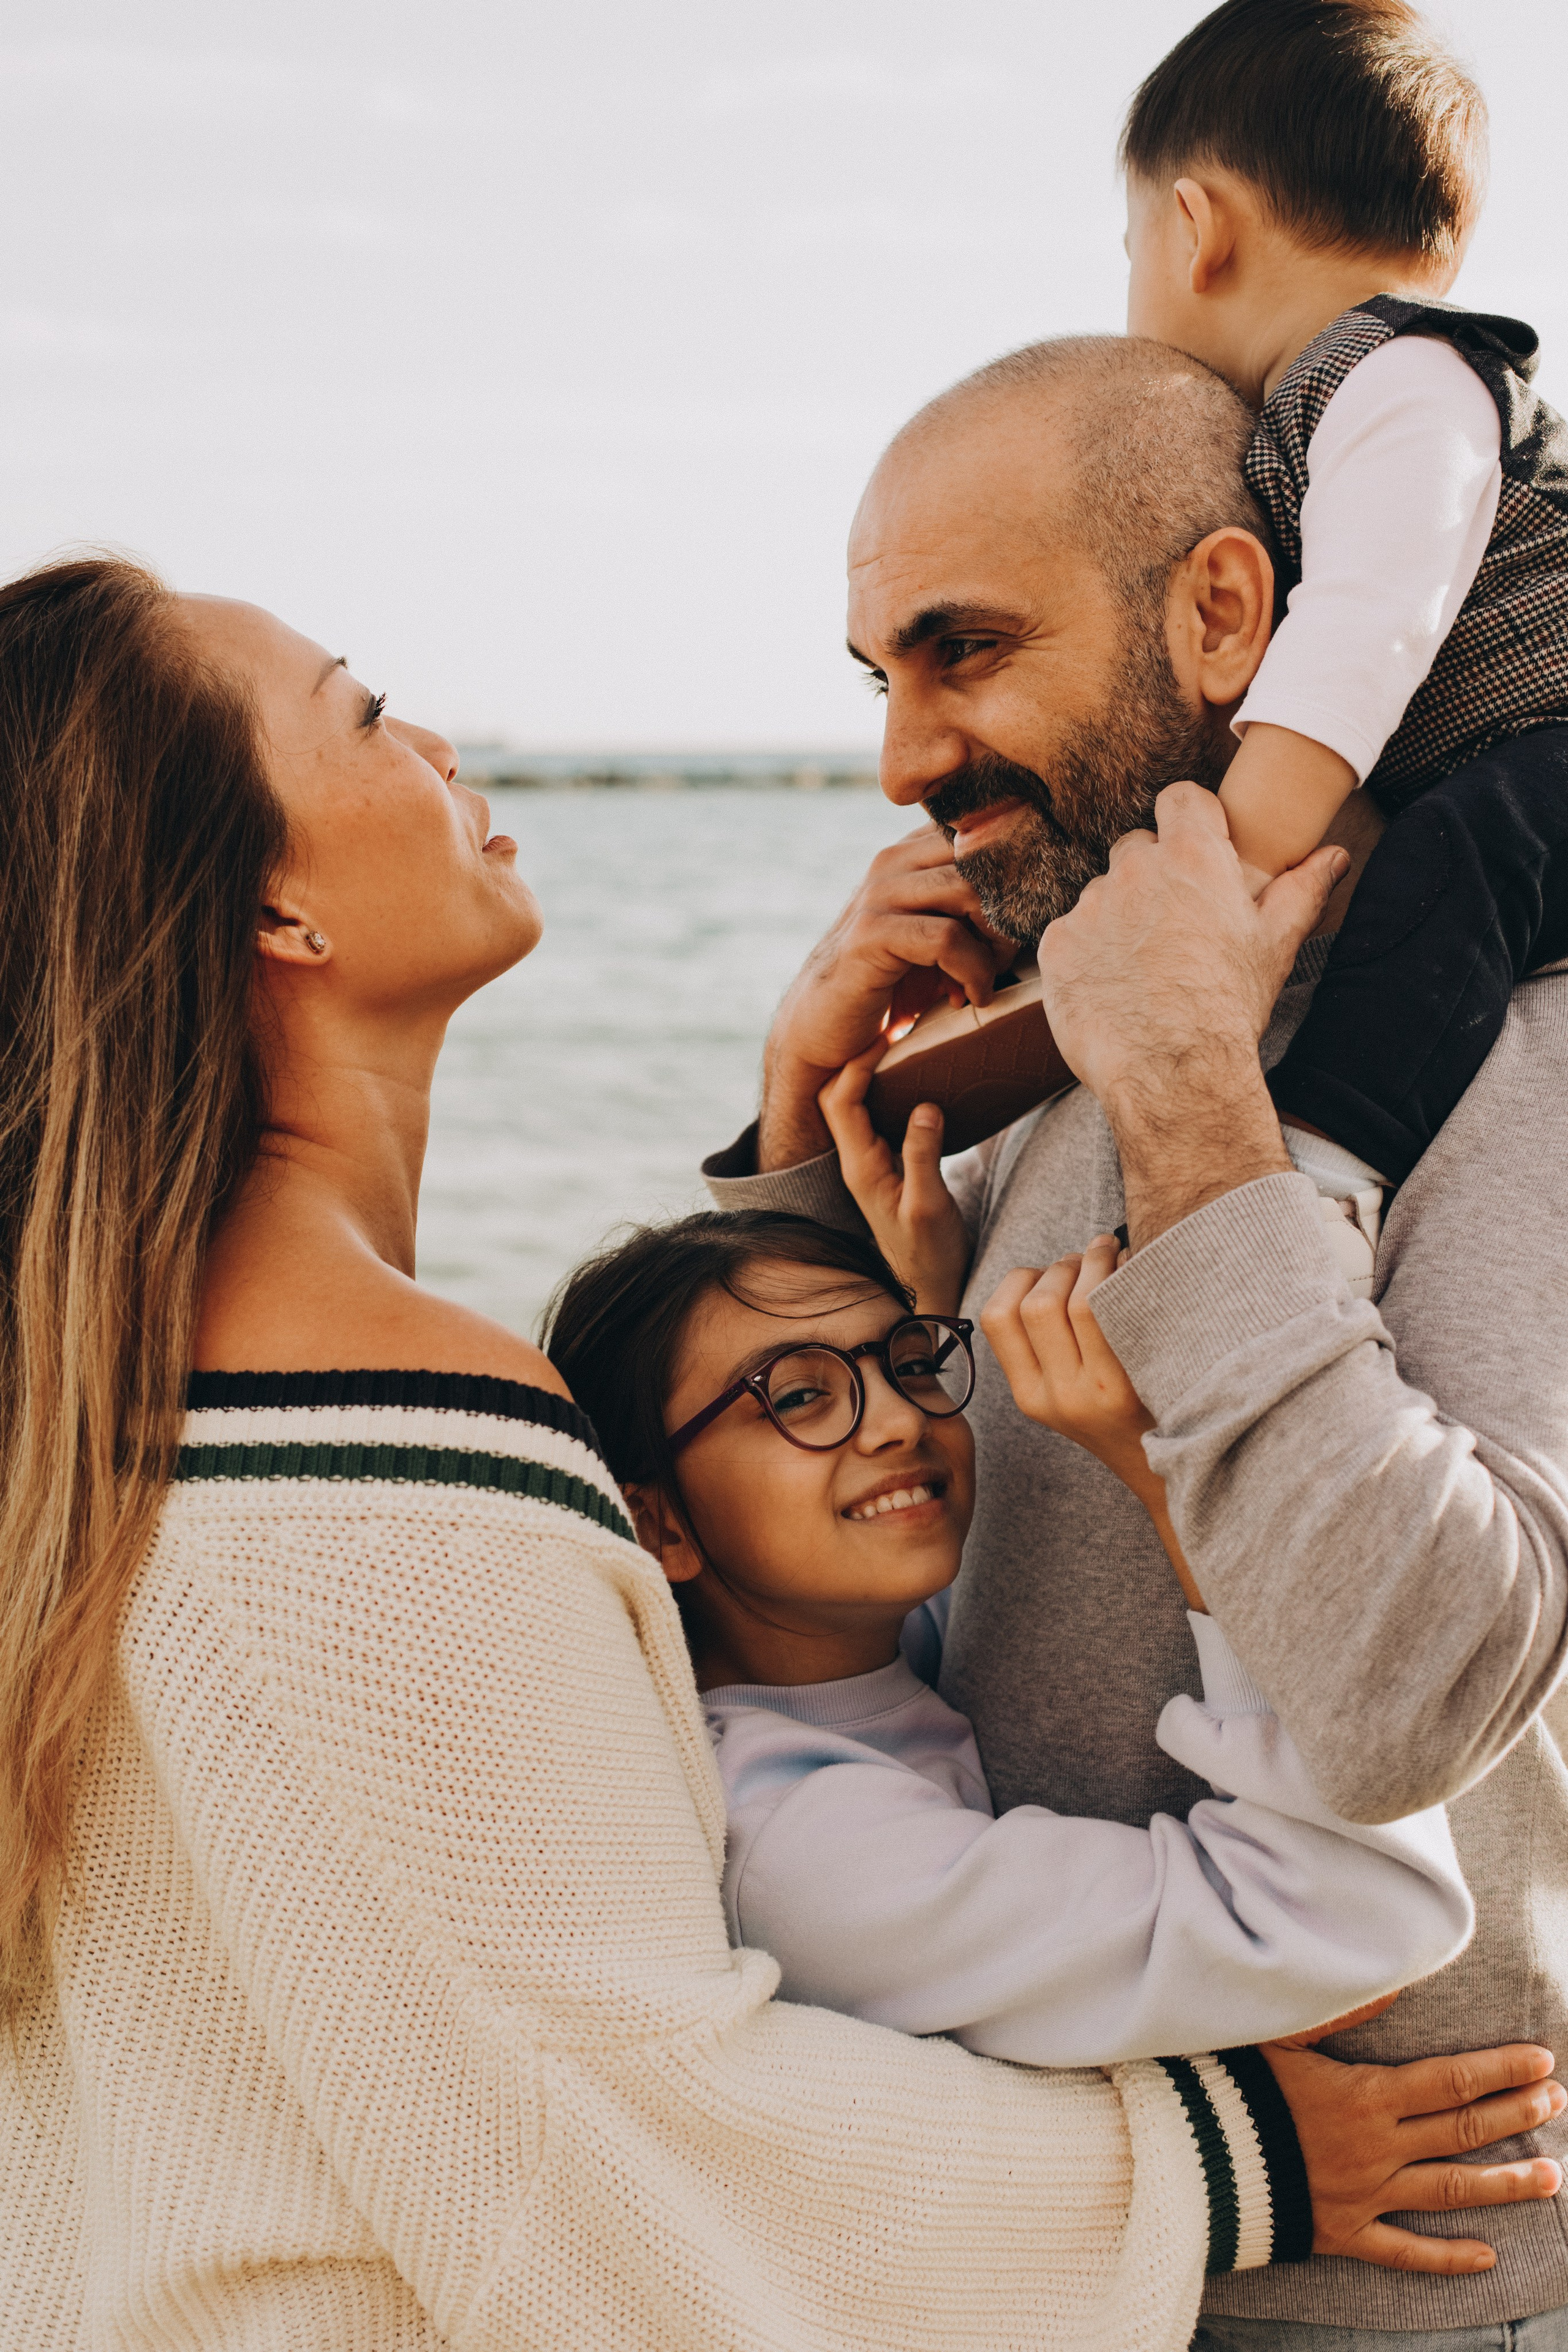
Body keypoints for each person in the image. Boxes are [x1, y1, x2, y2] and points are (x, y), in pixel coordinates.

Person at [4, 559, 1546, 2352]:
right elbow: (644, 2125)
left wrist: (801, 1183)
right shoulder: (395, 1457)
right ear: (281, 913)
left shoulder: (112, 1410)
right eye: (360, 711)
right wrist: (1230, 2164)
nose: (431, 737)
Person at [703, 336, 1568, 2345]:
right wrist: (788, 1150)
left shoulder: (1519, 1051)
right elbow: (895, 1571)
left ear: (1225, 615)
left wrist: (1192, 1094)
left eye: (967, 651)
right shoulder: (1045, 1045)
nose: (906, 758)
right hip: (1080, 2253)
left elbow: (1424, 1674)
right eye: (882, 682)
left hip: (1404, 2296)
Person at [546, 1205, 1473, 2076]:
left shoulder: (869, 1652)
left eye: (909, 1363)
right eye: (798, 1395)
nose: (905, 1419)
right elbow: (1357, 1920)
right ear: (656, 1526)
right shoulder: (802, 1854)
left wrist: (930, 1283)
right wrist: (1184, 1474)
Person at [1123, 0, 1568, 1191]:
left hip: (1550, 753)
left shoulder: (1398, 375)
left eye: (1124, 252)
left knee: (1464, 847)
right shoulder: (1330, 402)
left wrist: (1225, 872)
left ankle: (1326, 1168)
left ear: (1189, 229)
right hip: (1508, 766)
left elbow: (1366, 626)